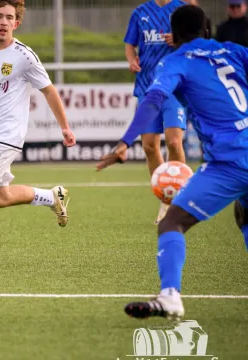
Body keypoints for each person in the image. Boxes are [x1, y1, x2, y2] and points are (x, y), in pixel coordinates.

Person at [97, 5, 248, 321]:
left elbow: (153, 101)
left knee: (172, 222)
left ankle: (170, 297)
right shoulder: (232, 50)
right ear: (207, 30)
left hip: (231, 161)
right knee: (243, 213)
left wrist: (125, 143)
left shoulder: (175, 61)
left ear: (174, 36)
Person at [0, 0, 75, 267]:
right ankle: (52, 196)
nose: (4, 22)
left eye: (9, 17)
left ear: (16, 24)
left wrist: (64, 127)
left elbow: (49, 91)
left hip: (7, 134)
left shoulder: (24, 56)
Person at [124, 0, 188, 224]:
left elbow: (196, 42)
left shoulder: (182, 10)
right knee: (150, 146)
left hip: (174, 85)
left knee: (173, 142)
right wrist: (132, 60)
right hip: (146, 87)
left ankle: (179, 203)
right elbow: (130, 44)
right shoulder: (140, 12)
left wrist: (179, 40)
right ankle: (165, 197)